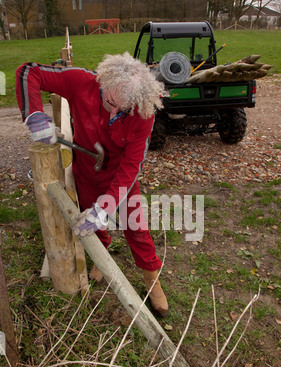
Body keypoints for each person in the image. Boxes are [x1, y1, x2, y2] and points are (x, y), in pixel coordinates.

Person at [16, 52, 169, 317]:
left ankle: (152, 281)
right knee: (92, 223)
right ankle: (101, 254)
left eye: (123, 109)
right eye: (110, 102)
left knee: (137, 229)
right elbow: (28, 71)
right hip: (86, 173)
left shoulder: (142, 110)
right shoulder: (80, 82)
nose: (114, 111)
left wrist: (106, 207)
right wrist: (35, 117)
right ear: (104, 82)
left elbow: (132, 165)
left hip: (120, 179)